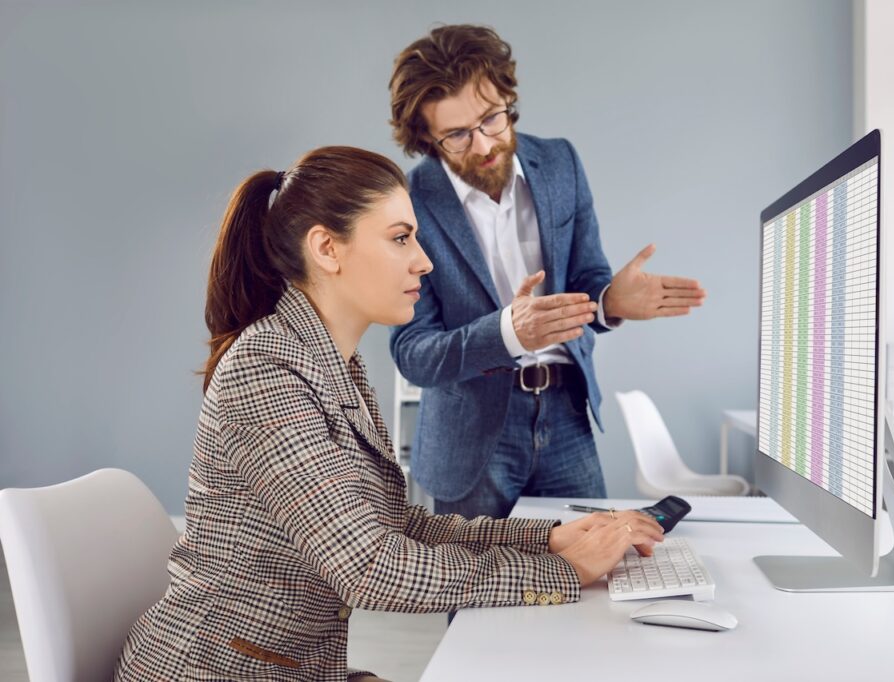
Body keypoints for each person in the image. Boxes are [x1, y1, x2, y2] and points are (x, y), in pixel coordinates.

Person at [112, 146, 663, 681]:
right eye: (401, 238)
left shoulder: (330, 361)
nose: (424, 261)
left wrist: (548, 540)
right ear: (327, 249)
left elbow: (396, 527)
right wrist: (560, 573)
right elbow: (369, 568)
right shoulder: (267, 371)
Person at [388, 25, 708, 520]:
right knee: (479, 590)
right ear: (427, 140)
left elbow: (588, 278)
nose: (482, 145)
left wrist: (608, 302)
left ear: (507, 101)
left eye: (492, 119)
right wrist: (505, 333)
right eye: (456, 135)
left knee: (598, 572)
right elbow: (412, 353)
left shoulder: (561, 163)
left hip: (567, 416)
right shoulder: (408, 202)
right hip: (470, 437)